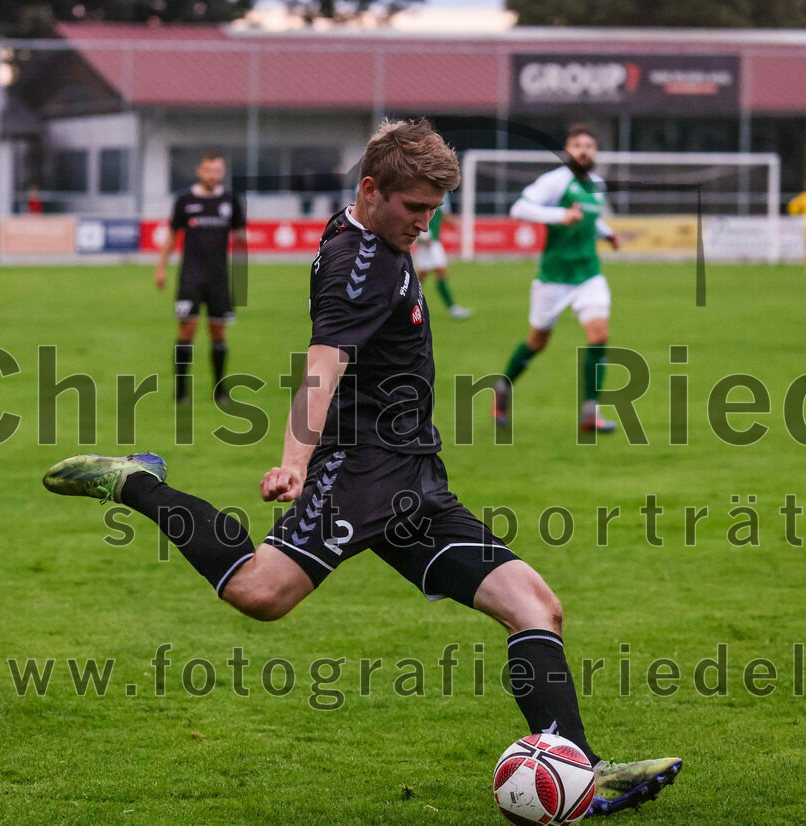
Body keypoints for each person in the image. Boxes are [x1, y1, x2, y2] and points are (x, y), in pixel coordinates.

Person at [42, 119, 680, 817]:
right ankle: (137, 481)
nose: (426, 224)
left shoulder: (369, 223)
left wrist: (400, 137)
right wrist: (294, 462)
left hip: (415, 477)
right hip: (356, 472)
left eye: (435, 210)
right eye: (415, 209)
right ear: (372, 191)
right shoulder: (360, 266)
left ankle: (580, 775)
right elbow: (322, 367)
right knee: (259, 594)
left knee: (536, 607)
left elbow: (389, 151)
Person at [492, 124, 621, 433]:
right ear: (567, 151)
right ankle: (502, 387)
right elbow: (519, 208)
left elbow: (591, 217)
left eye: (589, 145)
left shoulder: (597, 185)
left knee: (599, 335)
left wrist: (607, 233)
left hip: (588, 275)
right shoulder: (554, 182)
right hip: (553, 278)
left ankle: (590, 413)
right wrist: (558, 215)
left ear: (596, 152)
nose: (584, 150)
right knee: (537, 342)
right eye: (577, 145)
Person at [155, 149, 247, 405]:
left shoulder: (231, 201)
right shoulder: (185, 200)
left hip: (219, 278)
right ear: (199, 171)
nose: (213, 175)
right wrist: (160, 267)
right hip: (190, 277)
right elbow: (172, 235)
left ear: (223, 172)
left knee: (218, 332)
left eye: (218, 171)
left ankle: (220, 391)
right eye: (209, 170)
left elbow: (241, 239)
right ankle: (180, 391)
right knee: (187, 329)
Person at [413, 192, 472, 319]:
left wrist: (456, 225)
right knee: (439, 272)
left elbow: (444, 215)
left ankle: (403, 303)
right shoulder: (427, 189)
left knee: (421, 276)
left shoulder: (444, 193)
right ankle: (452, 308)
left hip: (433, 241)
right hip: (428, 240)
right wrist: (424, 234)